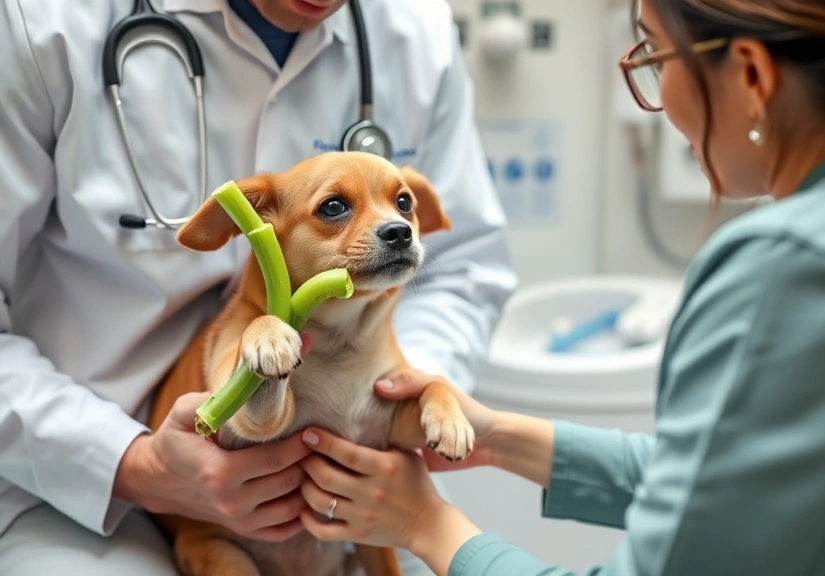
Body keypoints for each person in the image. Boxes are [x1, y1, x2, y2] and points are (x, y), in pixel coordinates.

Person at [290, 0, 825, 574]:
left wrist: (427, 525)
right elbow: (733, 489)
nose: (658, 95)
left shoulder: (799, 266)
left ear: (749, 74)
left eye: (654, 56)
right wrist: (498, 437)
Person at [0, 0, 516, 574]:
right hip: (72, 467)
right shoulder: (40, 19)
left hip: (346, 477)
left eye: (399, 204)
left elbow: (463, 265)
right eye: (338, 207)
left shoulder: (414, 28)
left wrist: (382, 410)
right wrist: (132, 464)